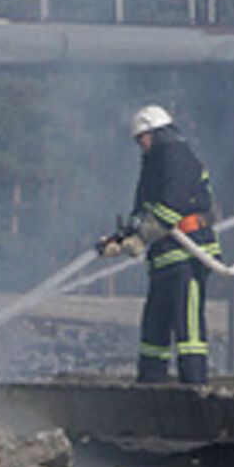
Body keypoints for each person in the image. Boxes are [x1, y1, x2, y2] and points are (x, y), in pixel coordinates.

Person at [97, 104, 221, 384]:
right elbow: (142, 210)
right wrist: (120, 239)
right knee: (154, 327)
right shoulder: (152, 165)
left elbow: (171, 206)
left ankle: (195, 388)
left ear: (157, 133)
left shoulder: (178, 157)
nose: (141, 145)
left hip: (189, 252)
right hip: (164, 257)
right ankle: (150, 386)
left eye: (143, 138)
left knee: (187, 327)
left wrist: (141, 237)